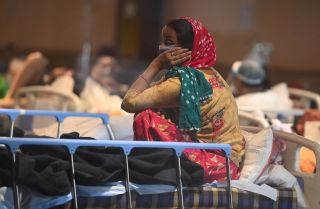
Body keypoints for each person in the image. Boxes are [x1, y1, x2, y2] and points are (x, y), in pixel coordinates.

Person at [121, 17, 245, 182]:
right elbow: (151, 92)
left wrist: (156, 64)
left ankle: (152, 171)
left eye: (169, 42)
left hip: (216, 165)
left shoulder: (180, 83)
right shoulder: (209, 72)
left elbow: (129, 102)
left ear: (188, 48)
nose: (162, 47)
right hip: (229, 160)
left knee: (146, 117)